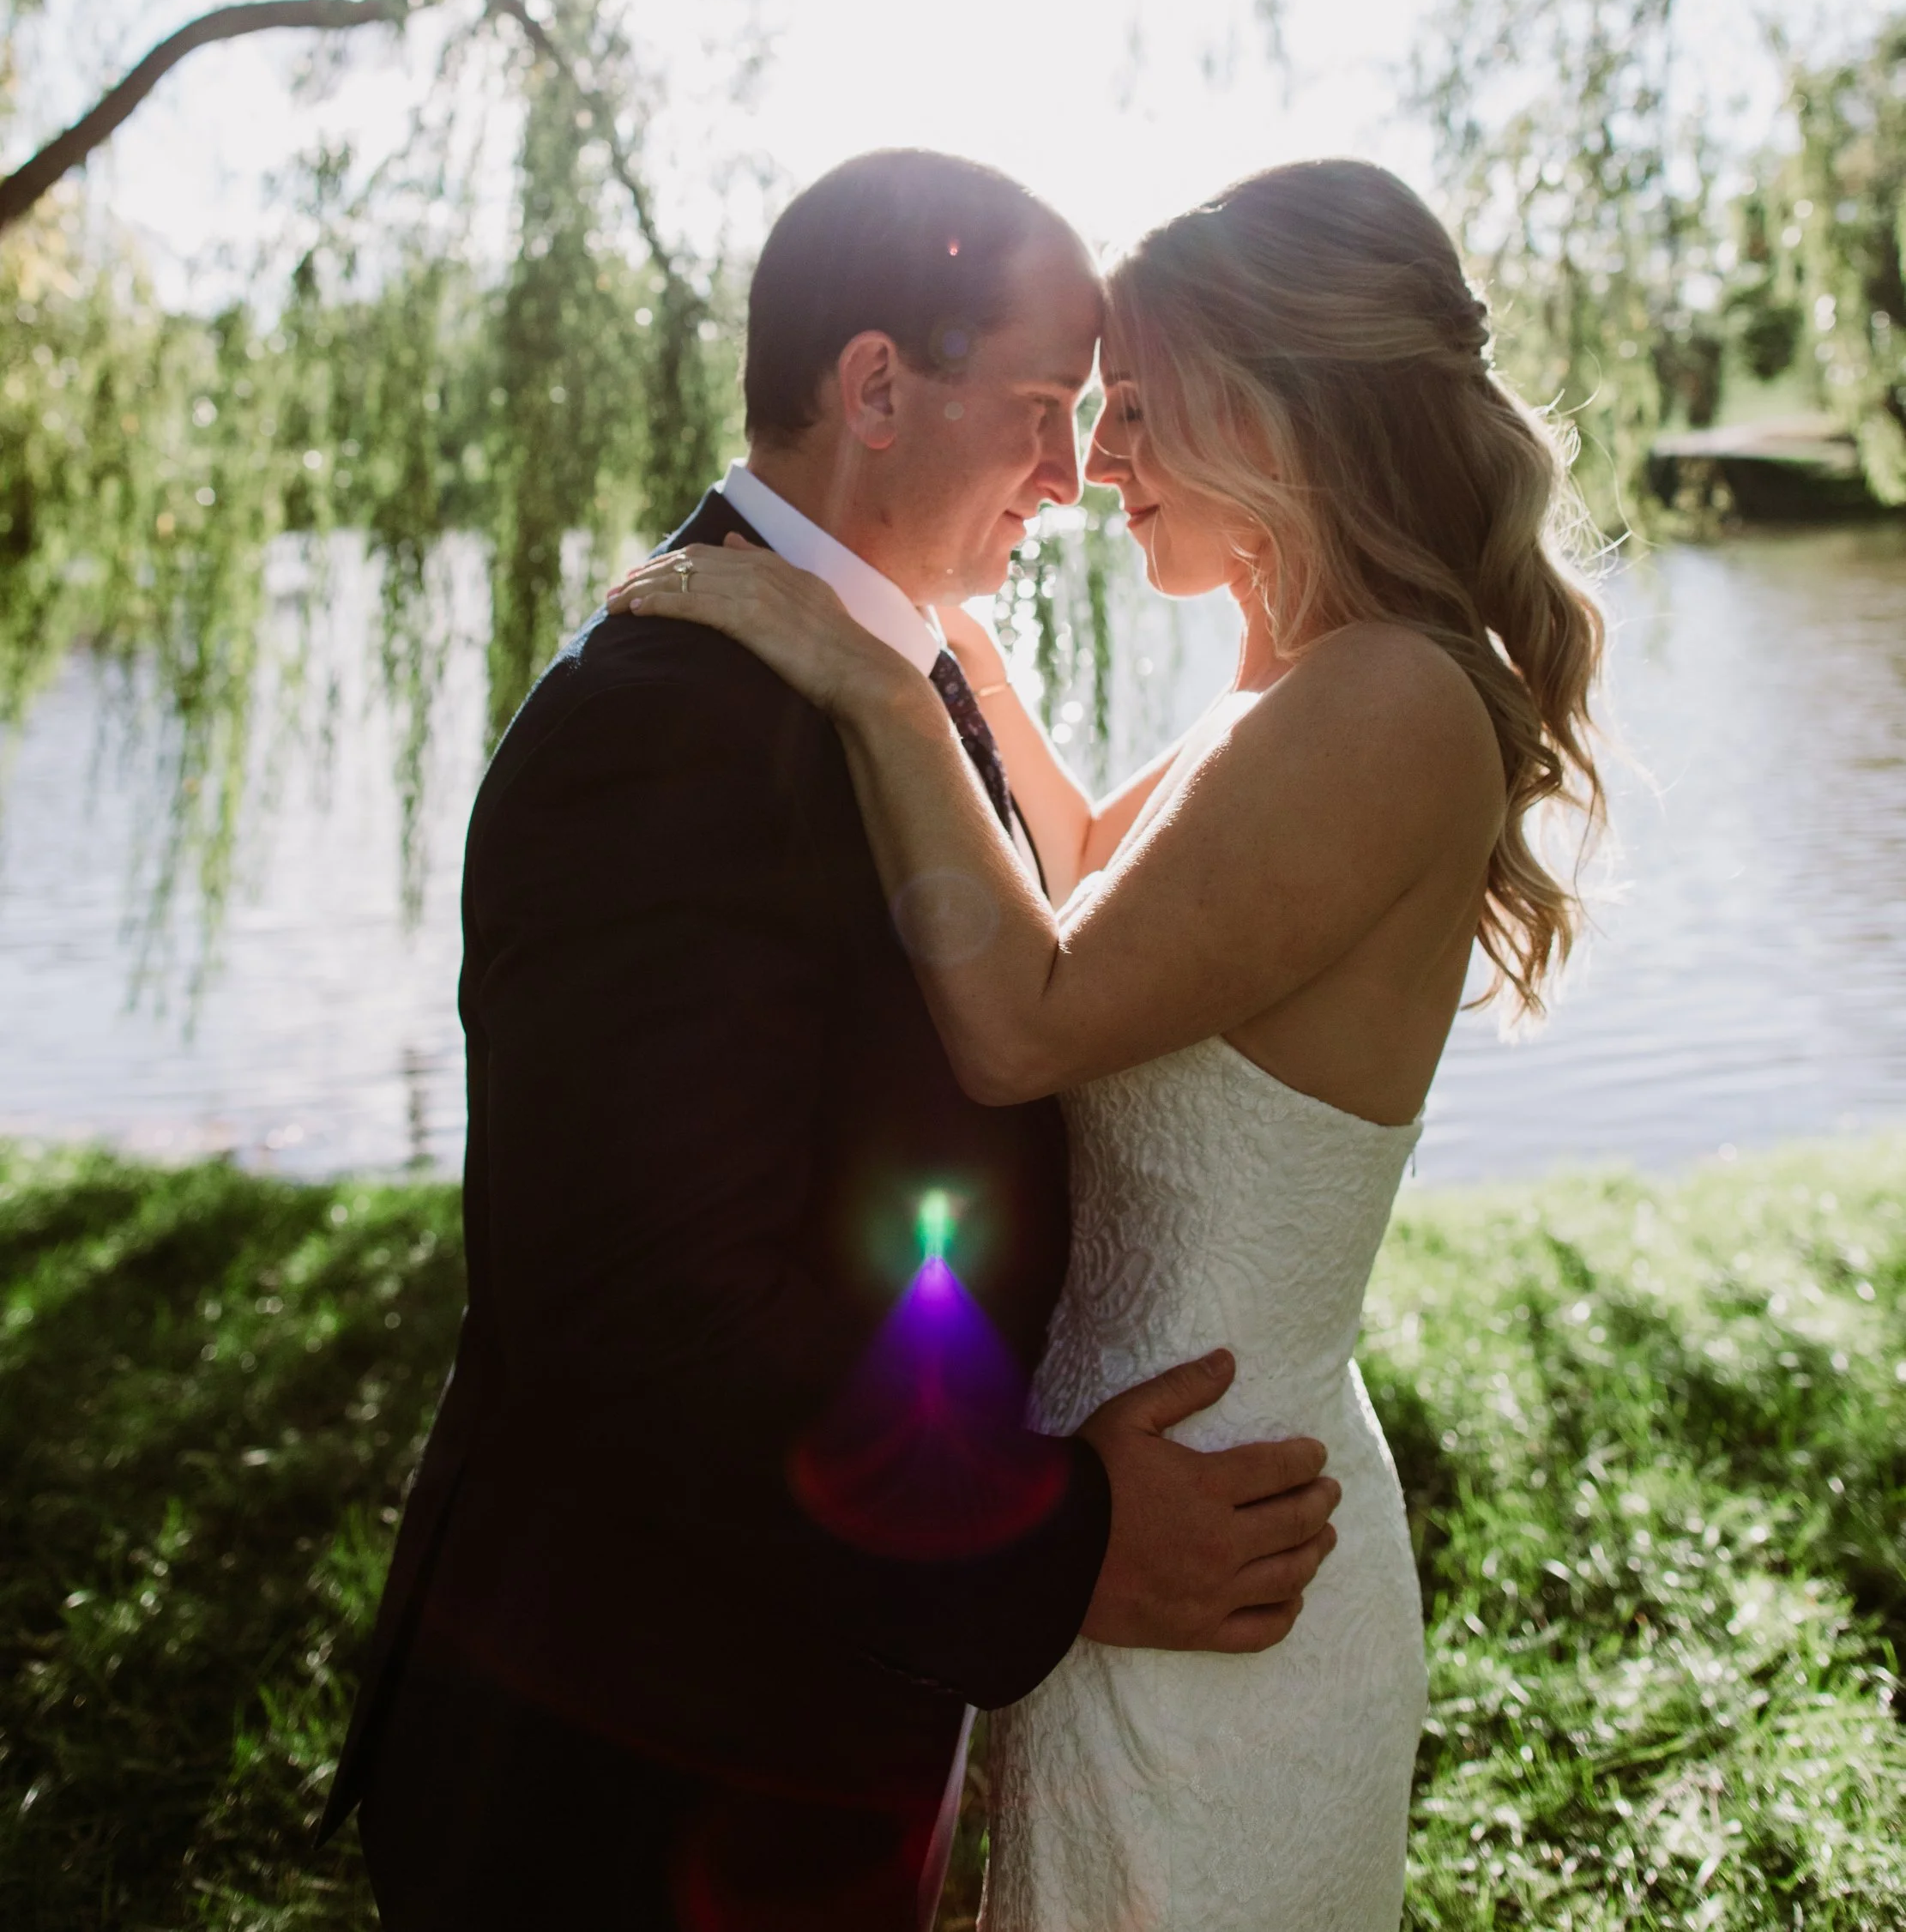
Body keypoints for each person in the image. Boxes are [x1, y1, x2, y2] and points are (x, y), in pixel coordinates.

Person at [323, 148, 1341, 1932]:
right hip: (635, 1760)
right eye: (1038, 407)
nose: (1070, 473)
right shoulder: (673, 726)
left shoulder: (899, 666)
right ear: (876, 387)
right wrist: (1066, 1551)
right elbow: (654, 1315)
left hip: (791, 1717)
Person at [613, 154, 1607, 1932]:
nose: (1100, 464)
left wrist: (859, 675)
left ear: (1279, 405)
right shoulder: (1306, 687)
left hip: (1229, 1561)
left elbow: (1027, 1014)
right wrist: (939, 639)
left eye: (1137, 407)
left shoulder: (1384, 699)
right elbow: (1078, 878)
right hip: (1150, 1531)